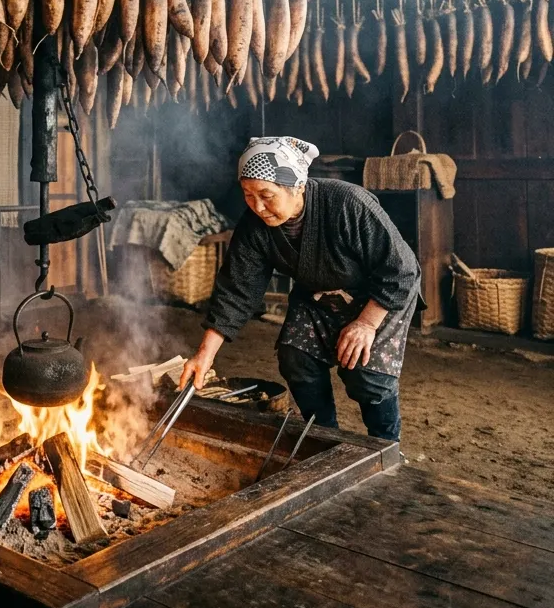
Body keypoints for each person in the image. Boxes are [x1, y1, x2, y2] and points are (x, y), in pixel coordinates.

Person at [180, 136, 421, 441]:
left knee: (366, 375)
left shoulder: (349, 204)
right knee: (295, 356)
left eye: (266, 195)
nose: (258, 207)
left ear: (298, 187)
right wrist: (204, 355)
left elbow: (402, 269)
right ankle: (324, 438)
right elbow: (237, 290)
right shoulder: (254, 226)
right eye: (248, 195)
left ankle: (386, 445)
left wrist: (366, 324)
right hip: (318, 295)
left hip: (380, 295)